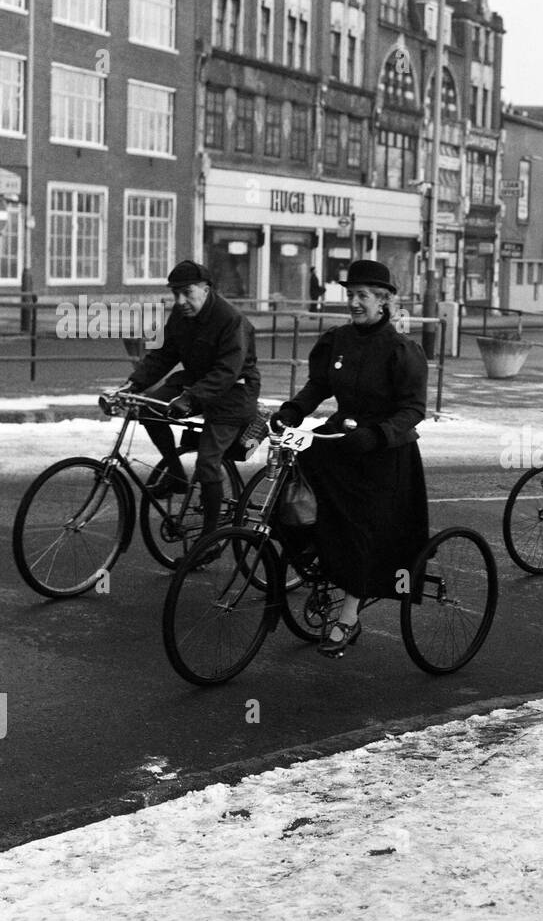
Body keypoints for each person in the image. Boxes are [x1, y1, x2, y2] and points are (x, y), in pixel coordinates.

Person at [270, 260, 430, 656]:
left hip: (383, 450)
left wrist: (377, 435)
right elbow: (319, 385)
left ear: (384, 302)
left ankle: (349, 616)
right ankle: (317, 558)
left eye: (363, 296)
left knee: (358, 525)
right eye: (351, 295)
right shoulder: (337, 340)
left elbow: (413, 410)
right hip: (342, 435)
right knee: (297, 490)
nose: (355, 303)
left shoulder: (401, 350)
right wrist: (294, 410)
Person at [119, 260, 260, 541]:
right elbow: (163, 355)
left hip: (234, 393)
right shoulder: (181, 315)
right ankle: (176, 475)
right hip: (196, 382)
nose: (180, 300)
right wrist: (134, 384)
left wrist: (189, 398)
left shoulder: (231, 320)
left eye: (187, 293)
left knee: (208, 462)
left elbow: (227, 371)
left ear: (206, 289)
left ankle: (209, 539)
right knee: (148, 410)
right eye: (175, 294)